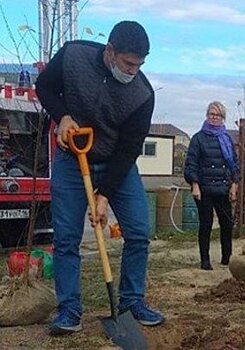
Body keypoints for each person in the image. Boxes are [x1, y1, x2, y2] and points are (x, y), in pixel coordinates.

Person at [35, 21, 164, 335]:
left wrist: (103, 196)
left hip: (115, 165)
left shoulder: (142, 95)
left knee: (138, 231)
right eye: (128, 63)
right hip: (71, 161)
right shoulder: (73, 56)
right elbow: (44, 87)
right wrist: (62, 115)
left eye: (140, 65)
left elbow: (128, 150)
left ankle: (131, 302)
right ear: (110, 51)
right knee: (65, 239)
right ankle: (69, 309)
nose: (133, 71)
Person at [184, 101, 240, 270]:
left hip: (223, 188)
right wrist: (194, 184)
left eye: (218, 115)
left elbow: (234, 165)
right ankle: (205, 260)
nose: (214, 117)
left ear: (223, 118)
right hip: (204, 189)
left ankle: (226, 259)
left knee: (227, 224)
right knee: (206, 224)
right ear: (207, 116)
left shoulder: (227, 139)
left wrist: (234, 185)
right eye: (211, 114)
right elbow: (191, 164)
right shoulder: (198, 138)